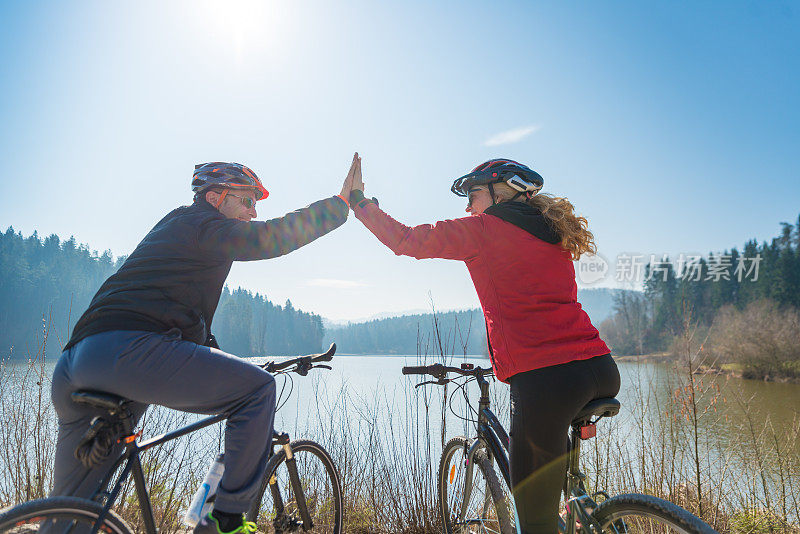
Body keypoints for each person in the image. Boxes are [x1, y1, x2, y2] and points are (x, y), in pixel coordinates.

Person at [50, 155, 358, 534]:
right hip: (128, 352)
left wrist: (225, 364)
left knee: (69, 516)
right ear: (216, 198)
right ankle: (224, 522)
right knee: (258, 390)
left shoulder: (179, 228)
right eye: (247, 200)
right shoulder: (205, 226)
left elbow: (188, 326)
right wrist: (339, 206)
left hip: (76, 364)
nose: (253, 210)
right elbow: (272, 237)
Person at [348, 157, 621, 534]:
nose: (468, 206)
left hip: (547, 379)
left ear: (498, 192)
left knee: (535, 522)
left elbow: (407, 240)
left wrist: (360, 202)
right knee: (557, 483)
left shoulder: (484, 229)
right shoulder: (553, 232)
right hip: (600, 368)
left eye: (473, 194)